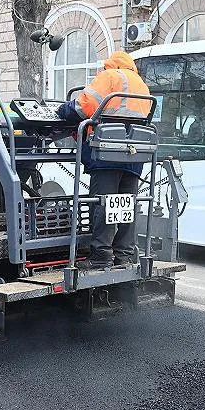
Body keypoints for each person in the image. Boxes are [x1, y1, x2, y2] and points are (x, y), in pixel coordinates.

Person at [57, 50, 153, 269]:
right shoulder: (141, 84)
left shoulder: (109, 77)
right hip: (134, 154)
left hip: (107, 152)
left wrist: (63, 109)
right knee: (126, 204)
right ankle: (124, 255)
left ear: (110, 64)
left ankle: (101, 256)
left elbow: (83, 107)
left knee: (103, 203)